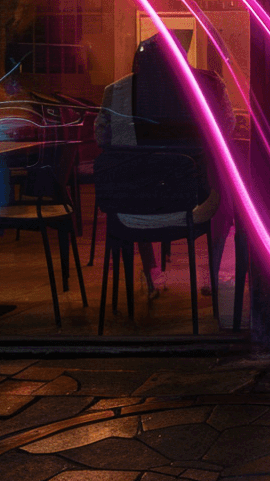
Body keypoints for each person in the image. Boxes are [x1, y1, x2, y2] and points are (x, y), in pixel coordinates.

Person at [95, 33, 234, 297]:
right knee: (225, 196)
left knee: (135, 178)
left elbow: (104, 139)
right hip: (196, 199)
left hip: (135, 205)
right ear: (182, 57)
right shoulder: (210, 83)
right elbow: (226, 130)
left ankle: (151, 274)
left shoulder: (117, 92)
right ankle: (212, 274)